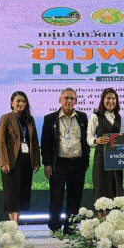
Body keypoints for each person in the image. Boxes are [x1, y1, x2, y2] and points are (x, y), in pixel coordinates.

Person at [41, 88, 90, 234]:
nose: (69, 101)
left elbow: (86, 139)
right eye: (66, 98)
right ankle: (55, 227)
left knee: (74, 198)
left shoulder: (82, 117)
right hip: (59, 164)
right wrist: (47, 164)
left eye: (72, 98)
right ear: (60, 100)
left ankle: (70, 227)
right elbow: (45, 143)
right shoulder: (50, 118)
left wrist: (86, 160)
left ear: (76, 101)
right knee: (56, 198)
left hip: (78, 163)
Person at [0, 91, 40, 223]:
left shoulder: (30, 119)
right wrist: (4, 161)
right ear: (12, 103)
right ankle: (13, 227)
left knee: (22, 196)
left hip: (26, 162)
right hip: (11, 163)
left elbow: (35, 142)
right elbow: (1, 141)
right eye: (18, 101)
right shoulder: (6, 118)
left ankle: (16, 225)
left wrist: (37, 161)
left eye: (23, 101)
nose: (21, 103)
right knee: (12, 198)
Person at [87, 88, 124, 201]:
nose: (111, 101)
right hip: (101, 158)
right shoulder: (95, 117)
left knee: (116, 188)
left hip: (116, 158)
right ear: (103, 100)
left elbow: (121, 136)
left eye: (113, 98)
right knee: (101, 188)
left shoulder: (119, 117)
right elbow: (88, 138)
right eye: (108, 98)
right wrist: (96, 141)